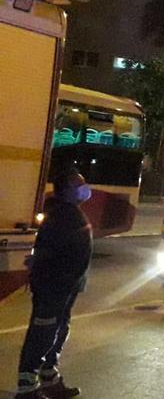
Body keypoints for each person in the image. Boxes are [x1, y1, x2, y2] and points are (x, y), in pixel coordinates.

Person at [16, 164, 92, 399]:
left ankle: (49, 378)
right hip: (53, 287)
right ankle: (27, 388)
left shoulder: (68, 212)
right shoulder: (60, 215)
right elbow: (49, 254)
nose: (84, 188)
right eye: (79, 184)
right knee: (43, 333)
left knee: (57, 331)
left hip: (65, 287)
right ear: (67, 190)